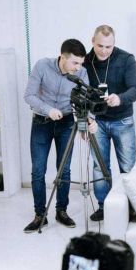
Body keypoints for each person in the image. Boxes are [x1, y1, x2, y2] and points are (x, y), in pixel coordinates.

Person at [23, 38, 95, 233]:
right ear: (63, 57)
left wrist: (88, 121)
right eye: (75, 63)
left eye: (81, 63)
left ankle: (61, 211)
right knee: (38, 170)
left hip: (66, 123)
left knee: (64, 170)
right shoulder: (42, 66)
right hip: (41, 122)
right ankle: (40, 215)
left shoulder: (82, 72)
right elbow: (29, 95)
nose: (78, 68)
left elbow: (85, 101)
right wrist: (48, 110)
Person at [83, 25, 136, 222]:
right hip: (97, 121)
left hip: (122, 120)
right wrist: (86, 118)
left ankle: (132, 207)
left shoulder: (126, 59)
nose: (104, 51)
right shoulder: (85, 62)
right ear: (92, 41)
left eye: (108, 47)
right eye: (100, 46)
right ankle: (104, 206)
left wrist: (120, 98)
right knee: (99, 167)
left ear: (114, 44)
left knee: (128, 167)